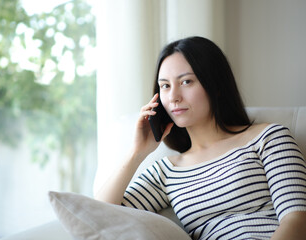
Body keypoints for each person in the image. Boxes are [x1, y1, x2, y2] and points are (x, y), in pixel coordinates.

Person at [95, 36, 306, 239]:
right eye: (165, 86)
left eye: (186, 82)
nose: (174, 97)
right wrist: (136, 153)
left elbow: (297, 220)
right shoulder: (166, 172)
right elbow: (100, 218)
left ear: (216, 86)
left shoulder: (269, 138)